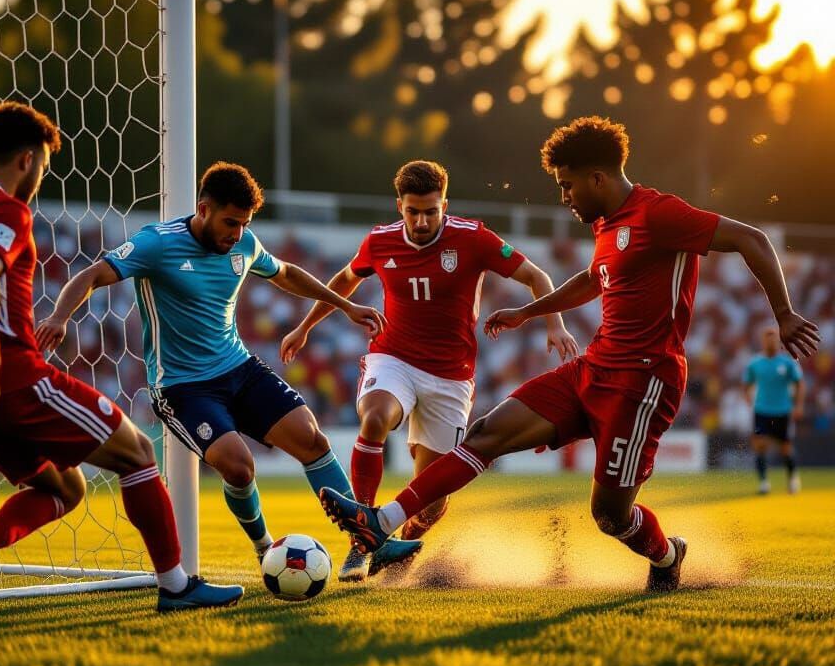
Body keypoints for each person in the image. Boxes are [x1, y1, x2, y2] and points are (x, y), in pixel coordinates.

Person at [320, 116, 820, 592]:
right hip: (594, 368)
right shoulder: (607, 224)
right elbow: (590, 281)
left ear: (597, 178)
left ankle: (668, 557)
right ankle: (380, 522)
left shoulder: (660, 214)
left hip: (644, 383)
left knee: (610, 517)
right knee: (486, 434)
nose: (563, 197)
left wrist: (785, 313)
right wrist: (528, 312)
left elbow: (751, 238)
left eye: (567, 185)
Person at [0, 101, 243, 623]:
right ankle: (177, 586)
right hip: (12, 379)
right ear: (26, 159)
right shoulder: (6, 210)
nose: (41, 177)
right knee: (136, 452)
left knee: (65, 487)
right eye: (43, 165)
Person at [36, 162, 422, 576]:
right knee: (238, 466)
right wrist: (60, 317)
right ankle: (263, 549)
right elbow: (94, 275)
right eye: (230, 222)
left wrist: (344, 305)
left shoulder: (244, 244)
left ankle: (365, 543)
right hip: (183, 387)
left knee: (312, 439)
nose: (237, 233)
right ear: (203, 209)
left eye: (244, 224)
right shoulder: (157, 244)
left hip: (239, 368)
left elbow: (286, 273)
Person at [281, 159, 578, 581]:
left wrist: (554, 322)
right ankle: (360, 541)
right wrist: (304, 327)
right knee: (374, 418)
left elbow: (537, 275)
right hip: (394, 358)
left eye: (431, 211)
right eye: (412, 211)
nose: (421, 221)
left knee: (434, 502)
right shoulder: (379, 242)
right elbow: (344, 280)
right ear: (398, 206)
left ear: (445, 205)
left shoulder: (473, 238)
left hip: (451, 377)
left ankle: (398, 556)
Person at [744, 325, 805, 494]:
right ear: (762, 341)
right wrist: (748, 398)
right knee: (760, 445)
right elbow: (747, 383)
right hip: (762, 410)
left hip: (783, 410)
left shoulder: (787, 362)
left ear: (778, 341)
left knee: (785, 447)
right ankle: (764, 482)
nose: (770, 340)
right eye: (767, 337)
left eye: (773, 337)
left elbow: (799, 384)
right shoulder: (755, 363)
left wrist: (798, 405)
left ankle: (792, 478)